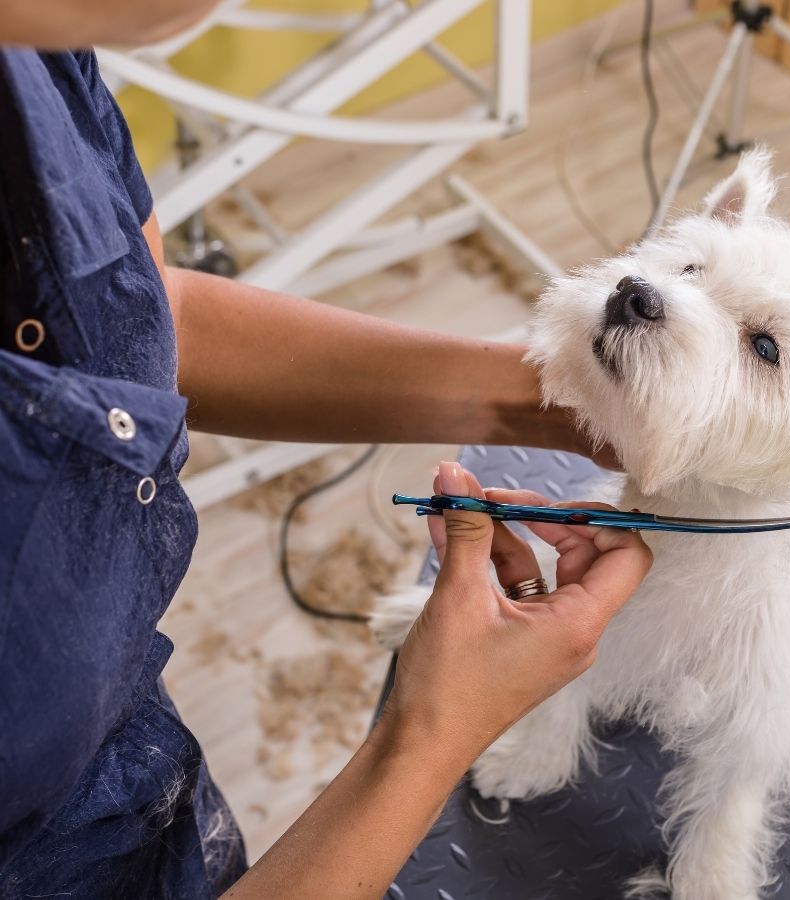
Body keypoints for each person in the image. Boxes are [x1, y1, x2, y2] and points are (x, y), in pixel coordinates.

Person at [0, 4, 653, 898]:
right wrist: (427, 734)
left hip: (136, 801)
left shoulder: (32, 53)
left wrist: (543, 405)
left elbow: (148, 317)